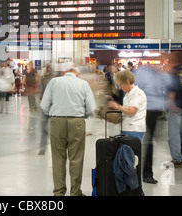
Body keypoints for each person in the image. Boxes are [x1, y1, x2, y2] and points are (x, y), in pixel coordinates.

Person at [40, 65, 96, 196]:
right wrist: (83, 115)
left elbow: (44, 105)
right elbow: (91, 107)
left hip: (57, 122)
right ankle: (75, 192)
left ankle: (59, 192)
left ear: (63, 72)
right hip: (77, 122)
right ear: (77, 73)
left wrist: (53, 115)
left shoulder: (54, 82)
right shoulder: (83, 83)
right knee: (76, 158)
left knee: (58, 158)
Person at [133, 64, 166, 184]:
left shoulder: (158, 76)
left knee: (149, 142)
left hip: (153, 111)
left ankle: (147, 173)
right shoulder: (141, 73)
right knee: (139, 141)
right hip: (143, 110)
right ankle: (137, 174)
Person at [107, 70, 147, 142]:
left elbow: (132, 111)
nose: (120, 87)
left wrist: (117, 106)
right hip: (127, 129)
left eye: (121, 84)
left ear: (127, 82)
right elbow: (126, 111)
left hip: (134, 130)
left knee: (129, 152)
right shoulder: (127, 95)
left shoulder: (138, 94)